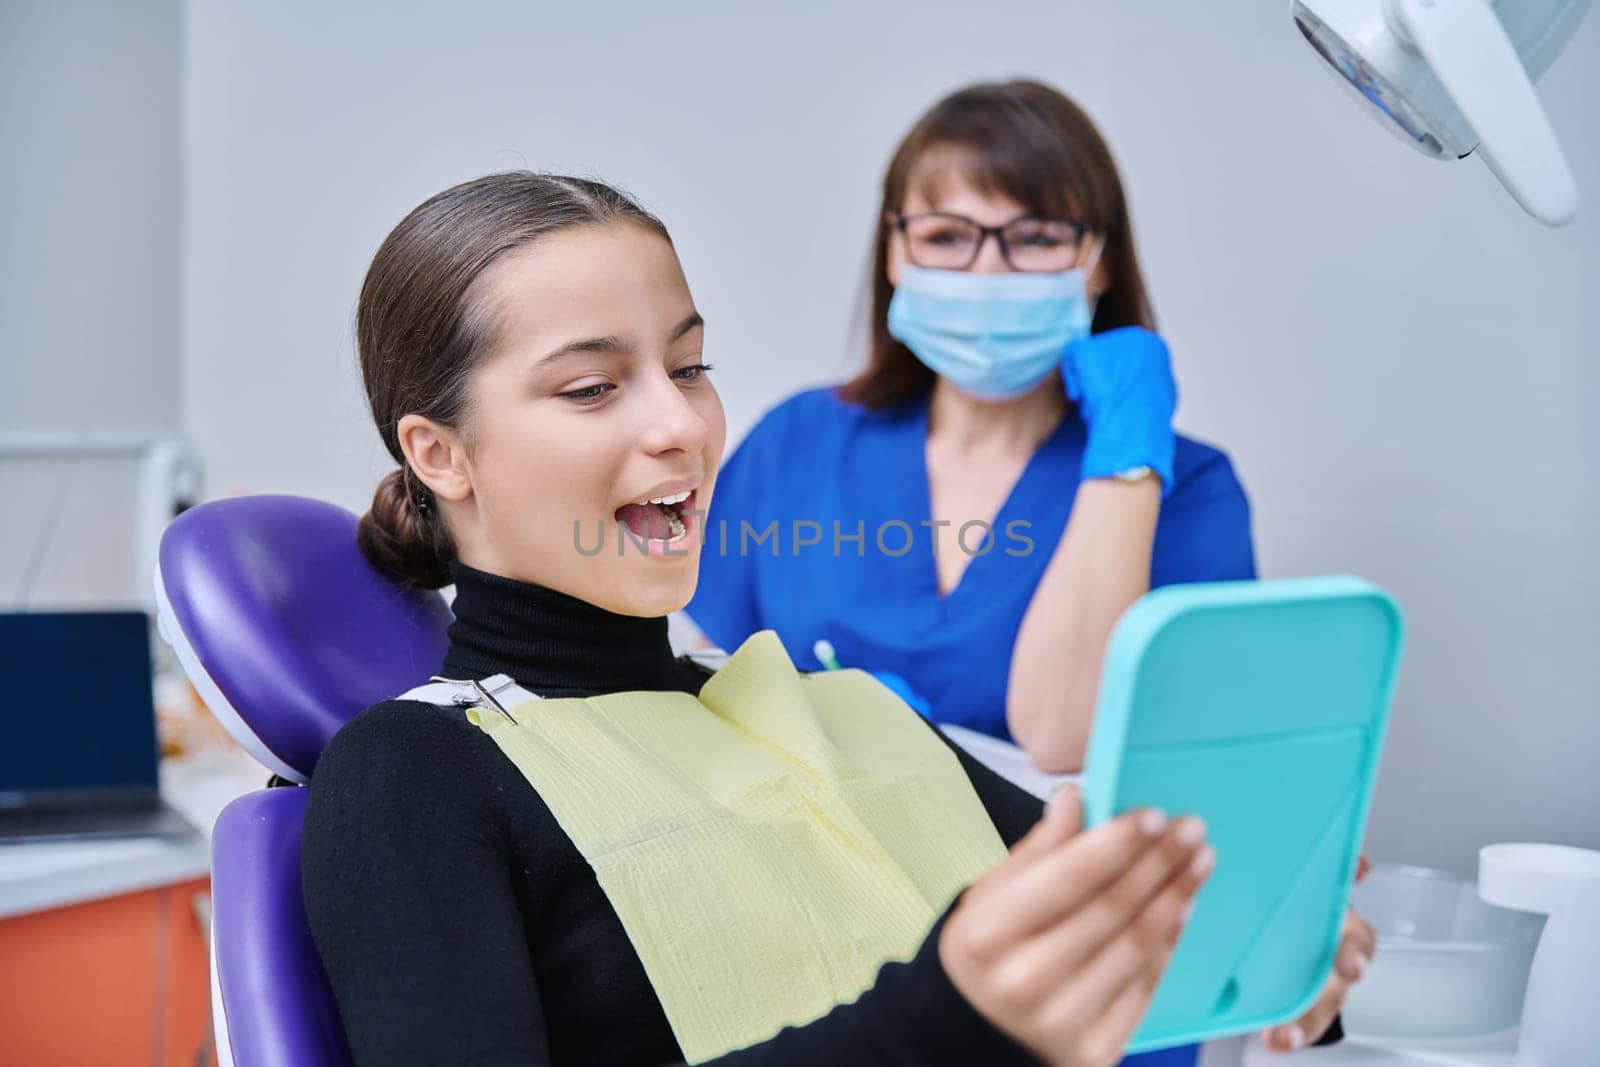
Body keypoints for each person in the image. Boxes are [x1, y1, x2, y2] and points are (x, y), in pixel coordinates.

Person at [298, 172, 1367, 1066]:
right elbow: (961, 1006)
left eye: (689, 366)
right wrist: (946, 1018)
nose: (682, 424)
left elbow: (1127, 925)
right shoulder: (415, 775)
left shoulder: (848, 707)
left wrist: (1266, 930)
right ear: (439, 452)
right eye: (590, 387)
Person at [684, 79, 1355, 1061]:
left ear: (1096, 259)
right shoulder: (796, 444)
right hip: (817, 968)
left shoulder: (1189, 490)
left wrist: (1127, 450)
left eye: (1034, 235)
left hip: (1072, 984)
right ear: (893, 248)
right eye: (948, 235)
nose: (987, 271)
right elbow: (691, 700)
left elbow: (1063, 729)